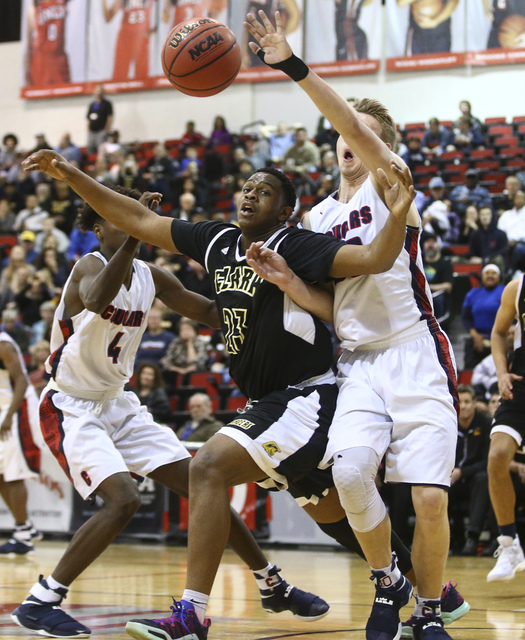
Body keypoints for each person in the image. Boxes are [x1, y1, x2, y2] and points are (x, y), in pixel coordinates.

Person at [20, 144, 426, 640]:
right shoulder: (197, 246)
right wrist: (68, 173)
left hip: (300, 396)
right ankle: (411, 589)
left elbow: (369, 259)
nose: (250, 192)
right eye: (246, 186)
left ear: (284, 208)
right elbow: (125, 247)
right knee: (331, 508)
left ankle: (194, 614)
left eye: (265, 189)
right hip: (92, 400)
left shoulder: (291, 244)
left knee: (207, 470)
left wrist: (398, 218)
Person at [10, 186, 330, 638]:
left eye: (133, 217)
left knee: (204, 486)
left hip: (118, 403)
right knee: (122, 501)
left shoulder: (152, 277)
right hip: (70, 404)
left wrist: (272, 291)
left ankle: (271, 583)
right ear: (98, 226)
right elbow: (100, 299)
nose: (126, 222)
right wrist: (136, 235)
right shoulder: (89, 266)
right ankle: (42, 601)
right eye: (117, 218)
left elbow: (212, 312)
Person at [245, 12, 459, 640]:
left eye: (360, 133)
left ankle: (427, 612)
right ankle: (388, 584)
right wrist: (291, 286)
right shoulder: (314, 217)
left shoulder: (393, 186)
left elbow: (348, 123)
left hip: (416, 353)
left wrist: (290, 62)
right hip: (359, 361)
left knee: (428, 500)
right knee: (347, 471)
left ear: (380, 146)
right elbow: (337, 309)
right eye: (343, 131)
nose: (346, 139)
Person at [484, 271, 525, 583]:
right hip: (520, 385)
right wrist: (501, 372)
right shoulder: (517, 287)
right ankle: (509, 545)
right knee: (497, 457)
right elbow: (498, 333)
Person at [0, 327, 42, 556]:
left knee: (14, 473)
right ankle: (25, 527)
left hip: (15, 412)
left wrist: (8, 418)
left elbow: (22, 382)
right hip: (3, 410)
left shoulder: (4, 345)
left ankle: (23, 537)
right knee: (1, 474)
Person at [449, 385, 492, 556]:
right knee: (437, 483)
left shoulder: (485, 423)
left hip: (474, 478)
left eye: (468, 401)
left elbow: (487, 461)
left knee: (483, 479)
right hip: (452, 478)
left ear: (475, 402)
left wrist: (463, 472)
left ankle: (472, 538)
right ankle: (452, 537)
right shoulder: (448, 422)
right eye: (461, 402)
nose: (464, 406)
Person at [462, 263, 504, 369]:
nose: (490, 275)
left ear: (499, 277)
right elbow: (466, 318)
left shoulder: (505, 291)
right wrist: (475, 335)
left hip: (502, 336)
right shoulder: (472, 293)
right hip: (479, 337)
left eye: (494, 273)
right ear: (482, 277)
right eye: (487, 273)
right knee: (470, 349)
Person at [103, 0, 154, 82]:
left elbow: (108, 17)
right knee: (141, 77)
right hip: (136, 38)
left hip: (130, 38)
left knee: (123, 77)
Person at [25, 0, 70, 87]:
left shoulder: (34, 8)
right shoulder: (34, 8)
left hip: (57, 62)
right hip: (41, 63)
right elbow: (29, 44)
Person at [86, 85, 114, 155]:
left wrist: (106, 129)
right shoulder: (92, 104)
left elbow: (109, 117)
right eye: (98, 91)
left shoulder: (107, 104)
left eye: (100, 91)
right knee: (90, 148)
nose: (99, 93)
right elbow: (88, 118)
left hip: (101, 131)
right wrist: (88, 130)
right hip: (92, 132)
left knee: (100, 149)